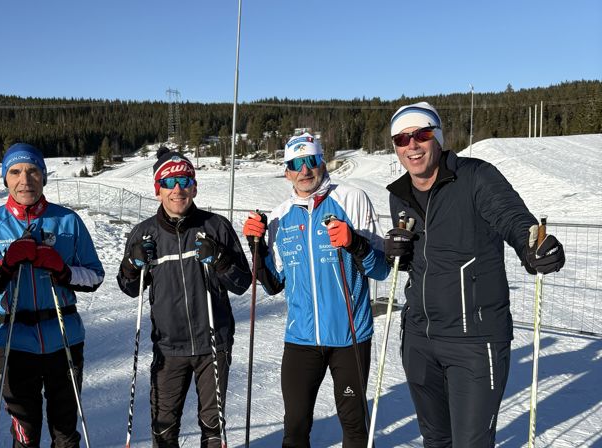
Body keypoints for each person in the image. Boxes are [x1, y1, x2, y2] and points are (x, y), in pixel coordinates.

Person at [384, 102, 566, 447]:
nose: (412, 145)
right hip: (420, 340)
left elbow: (514, 220)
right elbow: (419, 263)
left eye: (421, 134)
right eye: (402, 138)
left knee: (471, 443)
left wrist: (534, 248)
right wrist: (395, 252)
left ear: (437, 137)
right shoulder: (400, 196)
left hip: (474, 341)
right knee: (436, 440)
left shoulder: (476, 176)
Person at [242, 133, 389, 448]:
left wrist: (355, 242)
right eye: (296, 164)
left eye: (311, 161)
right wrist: (256, 249)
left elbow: (381, 269)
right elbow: (272, 284)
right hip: (301, 339)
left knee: (353, 425)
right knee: (295, 427)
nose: (304, 170)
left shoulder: (352, 199)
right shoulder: (280, 217)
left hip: (350, 336)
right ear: (286, 171)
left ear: (323, 162)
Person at [0, 143, 104, 448]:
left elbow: (95, 276)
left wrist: (62, 270)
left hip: (64, 339)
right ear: (5, 179)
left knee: (65, 432)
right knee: (25, 434)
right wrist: (6, 264)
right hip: (15, 342)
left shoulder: (68, 221)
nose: (24, 179)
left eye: (32, 171)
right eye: (15, 172)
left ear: (43, 176)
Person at [116, 147, 251, 447]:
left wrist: (221, 259)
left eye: (184, 180)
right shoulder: (144, 233)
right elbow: (128, 288)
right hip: (169, 349)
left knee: (213, 430)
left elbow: (242, 282)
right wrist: (131, 265)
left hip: (213, 346)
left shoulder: (215, 227)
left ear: (194, 186)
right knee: (164, 431)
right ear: (157, 189)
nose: (177, 189)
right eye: (168, 182)